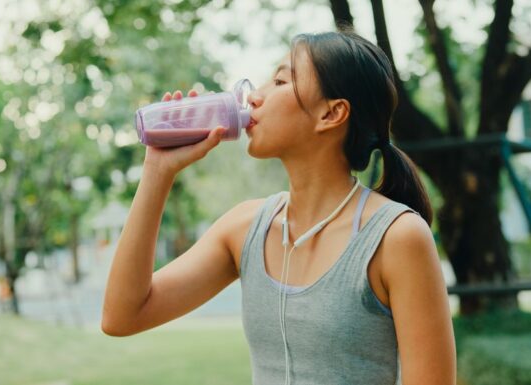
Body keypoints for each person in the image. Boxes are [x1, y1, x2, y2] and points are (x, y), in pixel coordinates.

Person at [102, 27, 456, 385]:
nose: (254, 97)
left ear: (331, 114)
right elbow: (123, 315)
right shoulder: (244, 228)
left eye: (280, 82)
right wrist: (157, 170)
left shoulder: (396, 238)